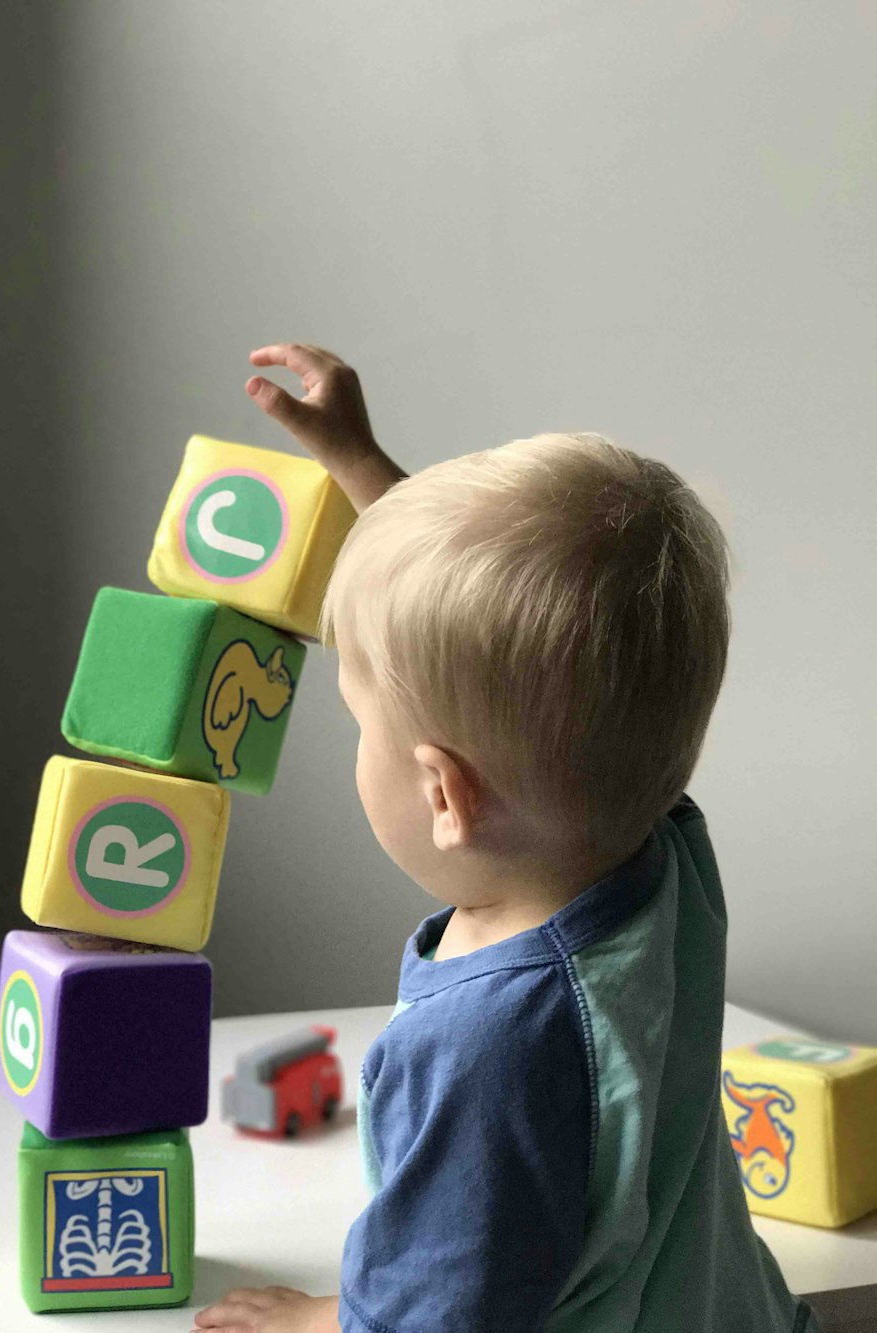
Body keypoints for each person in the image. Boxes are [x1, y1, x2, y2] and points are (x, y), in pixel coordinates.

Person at [190, 344, 821, 1333]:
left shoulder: (489, 1045)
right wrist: (364, 473)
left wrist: (320, 1319)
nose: (360, 738)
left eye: (362, 721)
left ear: (444, 791)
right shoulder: (656, 850)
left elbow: (438, 1318)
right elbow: (522, 658)